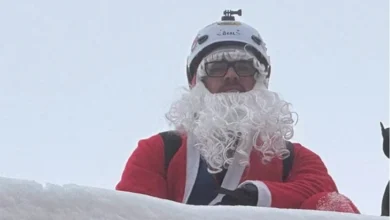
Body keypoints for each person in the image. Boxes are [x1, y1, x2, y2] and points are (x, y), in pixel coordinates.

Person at [116, 10, 359, 213]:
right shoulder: (159, 152)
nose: (231, 75)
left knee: (332, 205)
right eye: (217, 67)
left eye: (244, 67)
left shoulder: (293, 158)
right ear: (196, 82)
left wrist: (258, 195)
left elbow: (322, 191)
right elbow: (131, 212)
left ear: (260, 81)